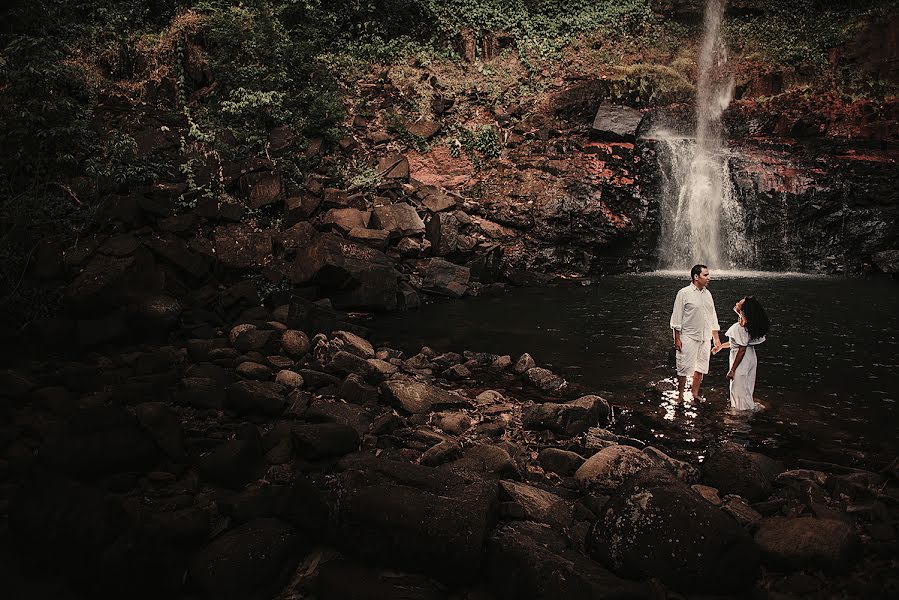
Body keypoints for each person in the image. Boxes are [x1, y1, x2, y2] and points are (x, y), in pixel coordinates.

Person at [670, 264, 721, 401]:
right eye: (706, 275)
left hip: (705, 337)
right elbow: (677, 317)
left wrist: (716, 339)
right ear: (696, 277)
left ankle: (695, 393)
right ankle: (680, 395)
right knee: (683, 367)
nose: (709, 278)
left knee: (701, 367)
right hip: (689, 337)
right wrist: (677, 339)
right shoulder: (684, 293)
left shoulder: (708, 294)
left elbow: (713, 317)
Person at [713, 296, 770, 411]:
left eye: (739, 303)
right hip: (750, 357)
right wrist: (720, 347)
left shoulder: (739, 327)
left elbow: (741, 349)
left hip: (741, 360)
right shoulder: (749, 325)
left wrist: (732, 370)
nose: (736, 302)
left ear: (744, 310)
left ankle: (740, 418)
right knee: (747, 387)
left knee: (738, 388)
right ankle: (748, 410)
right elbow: (738, 343)